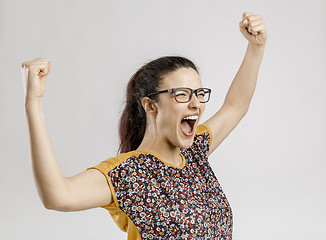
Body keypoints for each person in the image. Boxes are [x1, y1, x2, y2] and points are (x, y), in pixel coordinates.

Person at [22, 12, 266, 240]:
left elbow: (236, 106)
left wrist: (256, 47)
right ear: (150, 105)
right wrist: (33, 102)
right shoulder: (128, 174)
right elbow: (57, 195)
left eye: (199, 93)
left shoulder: (195, 152)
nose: (196, 104)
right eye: (182, 94)